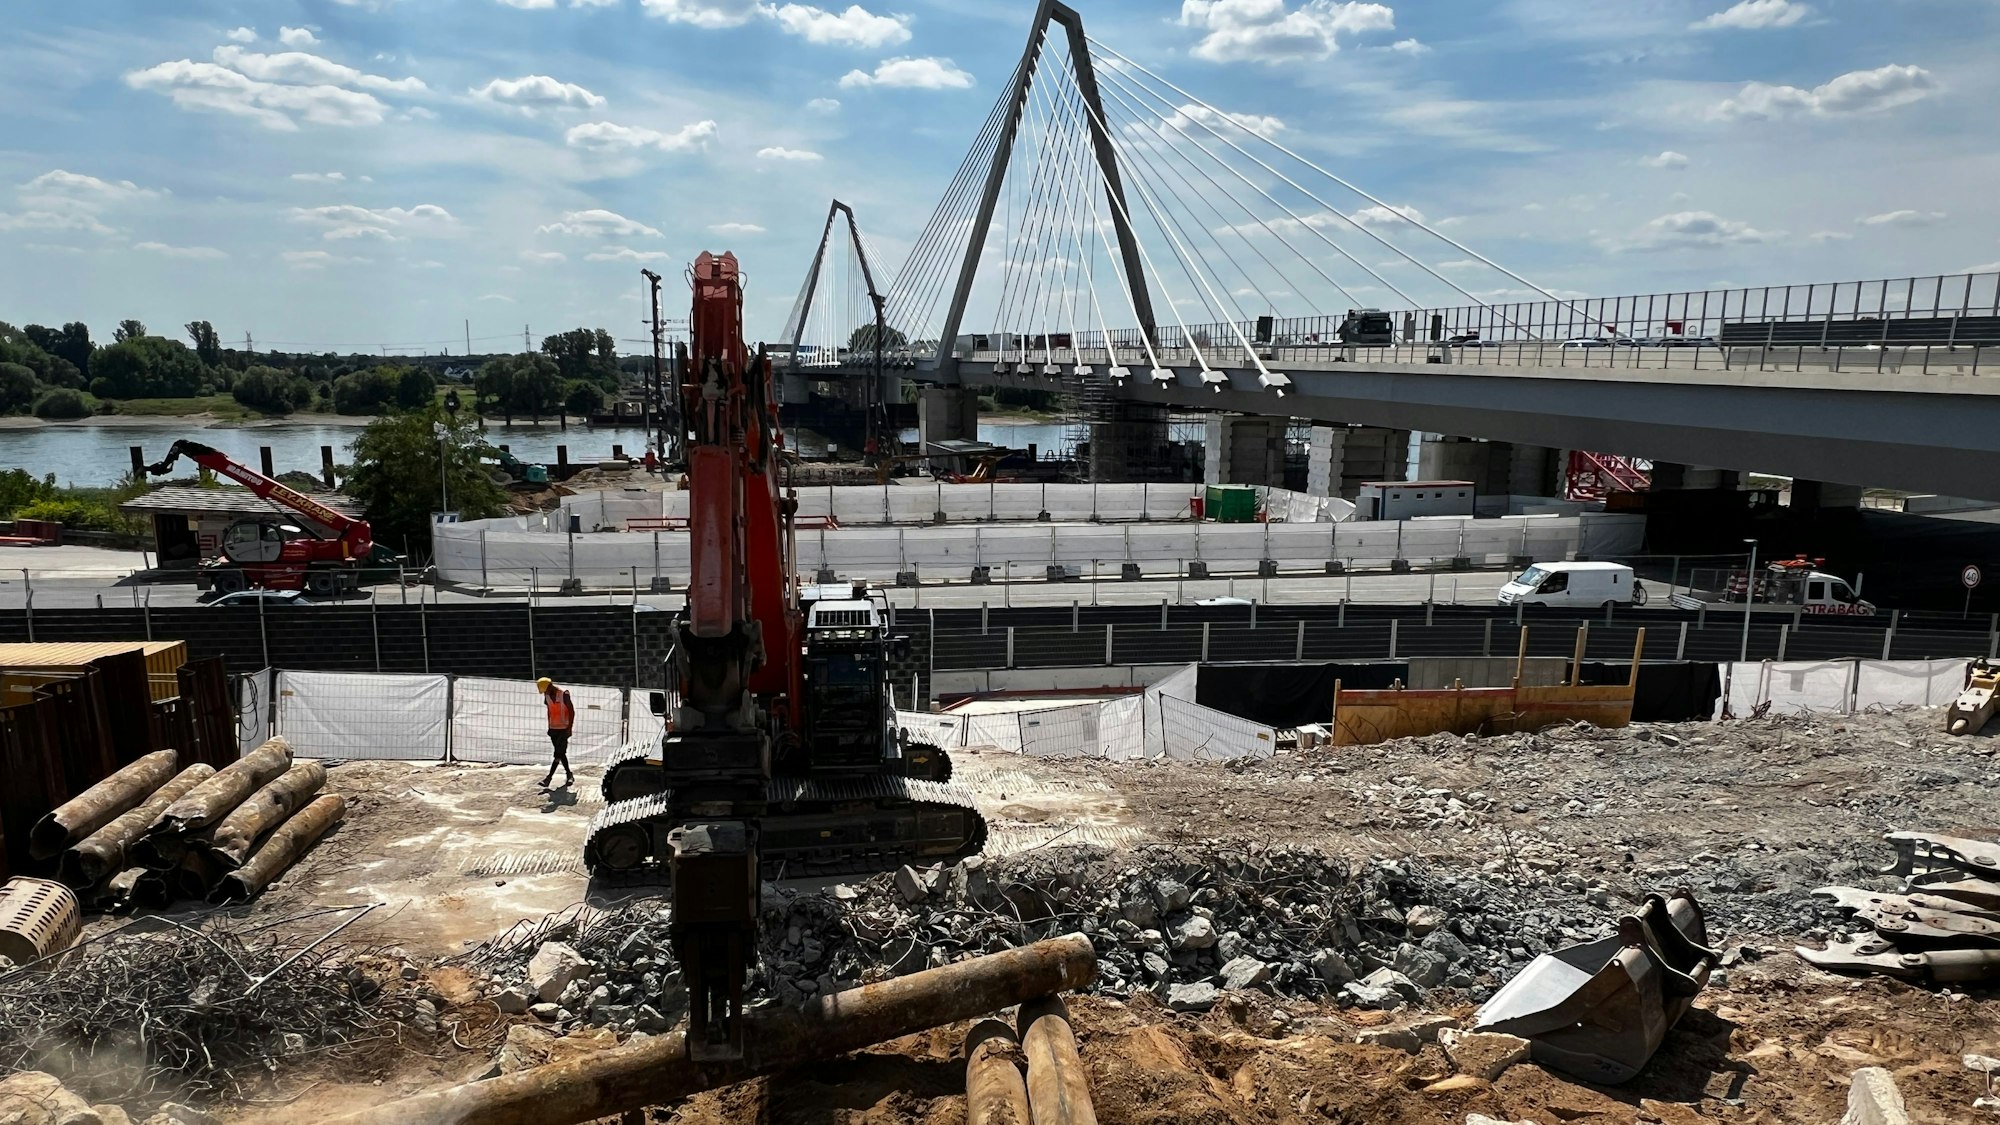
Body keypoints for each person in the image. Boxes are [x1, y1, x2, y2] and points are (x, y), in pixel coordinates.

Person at [537, 676, 575, 788]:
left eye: (546, 690)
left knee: (558, 755)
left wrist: (569, 728)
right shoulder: (547, 696)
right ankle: (569, 774)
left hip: (564, 729)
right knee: (560, 753)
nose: (545, 693)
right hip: (554, 729)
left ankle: (548, 778)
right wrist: (549, 726)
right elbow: (549, 711)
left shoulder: (564, 695)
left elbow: (572, 712)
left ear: (550, 686)